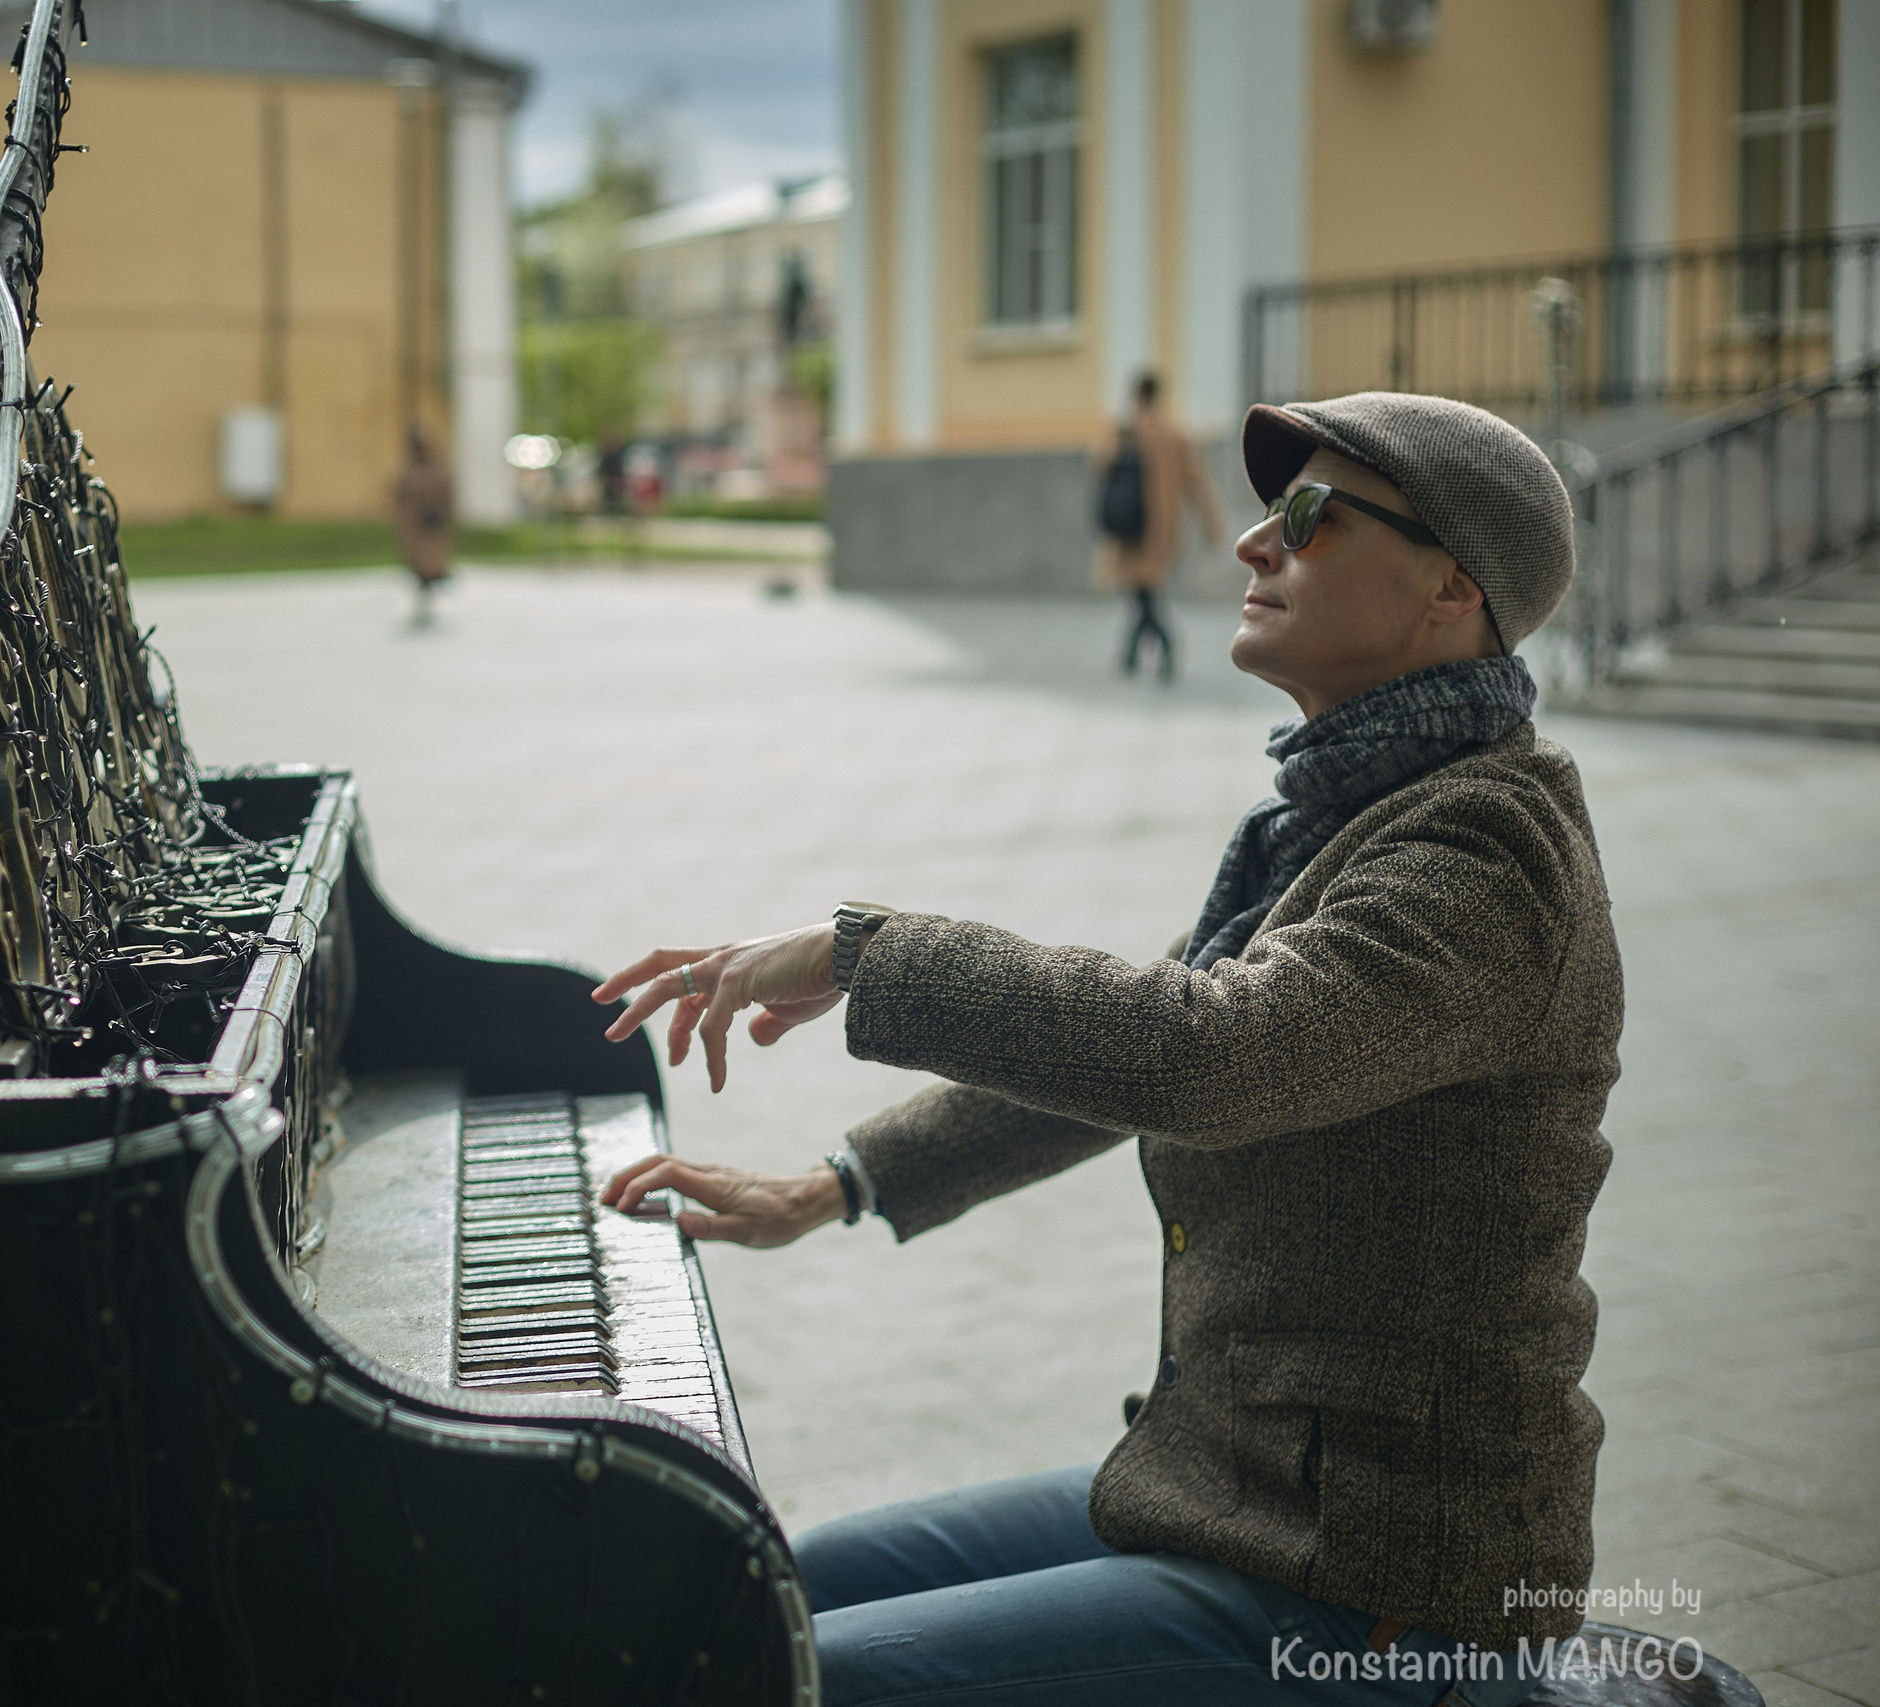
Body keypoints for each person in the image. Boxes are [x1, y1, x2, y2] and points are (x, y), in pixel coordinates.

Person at [592, 392, 1617, 1706]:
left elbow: (1209, 1055)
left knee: (768, 1675)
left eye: (1307, 516)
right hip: (1227, 1490)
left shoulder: (1483, 851)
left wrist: (864, 949)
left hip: (1380, 1584)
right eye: (1266, 511)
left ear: (1452, 588)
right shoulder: (1342, 815)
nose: (1254, 543)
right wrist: (832, 1184)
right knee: (734, 1585)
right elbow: (1141, 1052)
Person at [1092, 370, 1225, 681]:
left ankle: (1164, 647)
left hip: (1130, 528)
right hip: (1162, 530)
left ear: (1136, 394)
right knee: (1145, 591)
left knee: (1143, 593)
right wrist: (1211, 525)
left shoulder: (1124, 429)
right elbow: (1197, 483)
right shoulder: (1176, 433)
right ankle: (1132, 654)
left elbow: (1098, 463)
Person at [391, 422, 454, 627]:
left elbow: (446, 496)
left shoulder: (435, 469)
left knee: (430, 570)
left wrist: (442, 517)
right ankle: (422, 606)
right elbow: (400, 498)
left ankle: (428, 606)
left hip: (432, 527)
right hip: (415, 530)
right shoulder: (409, 470)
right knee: (419, 570)